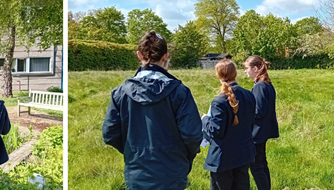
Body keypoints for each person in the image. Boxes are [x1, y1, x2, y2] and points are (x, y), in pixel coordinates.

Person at [101, 30, 203, 189]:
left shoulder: (120, 92)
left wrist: (134, 152)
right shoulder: (180, 92)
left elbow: (110, 133)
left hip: (138, 173)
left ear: (139, 56)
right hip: (172, 173)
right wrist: (184, 157)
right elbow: (192, 136)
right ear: (165, 56)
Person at [202, 59, 256, 190]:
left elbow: (216, 130)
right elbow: (250, 124)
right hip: (244, 153)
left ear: (218, 76)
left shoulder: (219, 101)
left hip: (223, 157)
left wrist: (205, 120)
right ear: (235, 73)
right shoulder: (249, 95)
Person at [243, 55, 279, 190]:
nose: (245, 71)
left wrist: (244, 110)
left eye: (247, 68)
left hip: (257, 133)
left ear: (256, 68)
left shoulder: (259, 86)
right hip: (263, 131)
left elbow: (259, 112)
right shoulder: (267, 84)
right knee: (262, 165)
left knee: (256, 167)